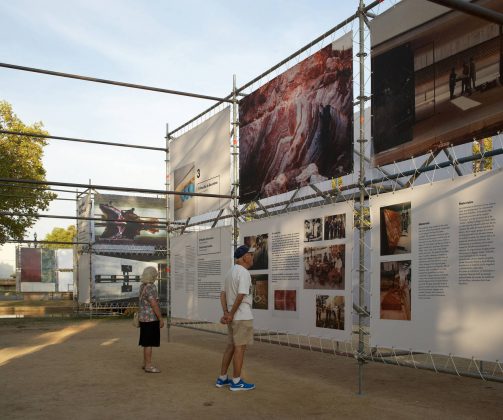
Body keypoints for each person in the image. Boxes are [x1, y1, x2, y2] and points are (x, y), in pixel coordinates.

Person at [216, 245, 256, 391]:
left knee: (230, 347)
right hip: (242, 316)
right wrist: (231, 314)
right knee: (240, 348)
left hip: (233, 317)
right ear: (244, 256)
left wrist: (226, 313)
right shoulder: (244, 273)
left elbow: (222, 294)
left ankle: (222, 378)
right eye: (251, 254)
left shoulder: (230, 272)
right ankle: (236, 381)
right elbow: (241, 295)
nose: (252, 257)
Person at [138, 266, 164, 373]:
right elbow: (154, 304)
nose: (156, 277)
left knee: (145, 342)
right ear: (152, 276)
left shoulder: (142, 286)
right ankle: (149, 366)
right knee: (149, 343)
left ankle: (145, 363)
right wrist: (161, 318)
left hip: (143, 318)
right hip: (151, 319)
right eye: (155, 275)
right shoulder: (151, 287)